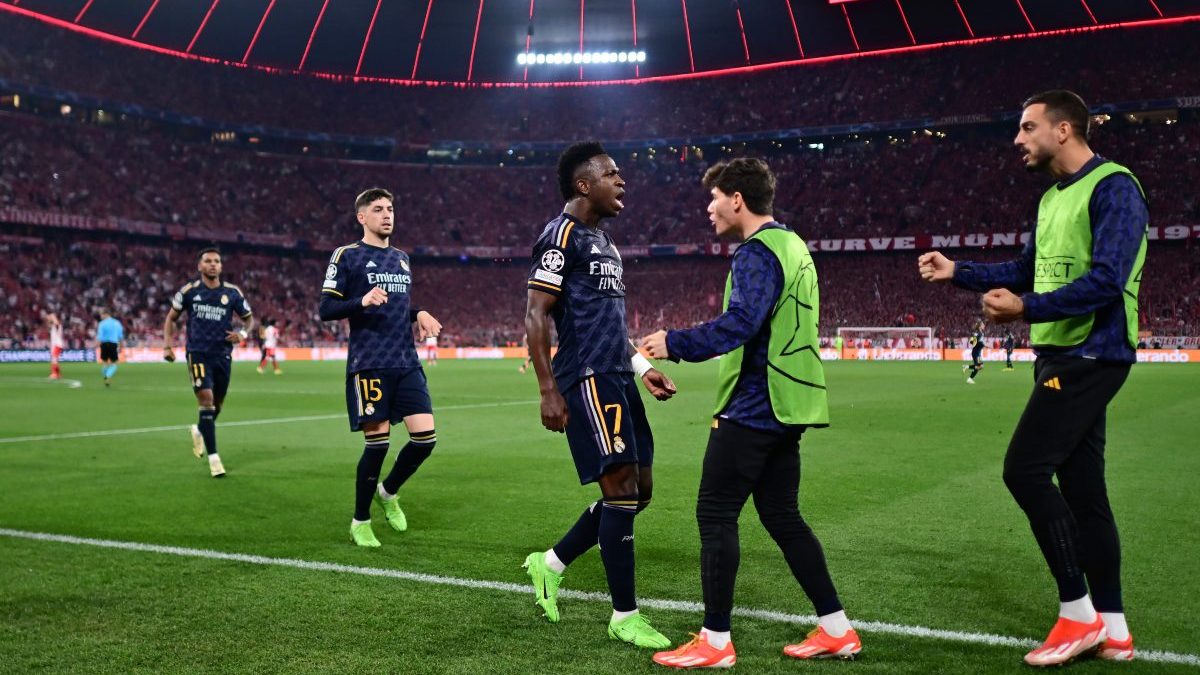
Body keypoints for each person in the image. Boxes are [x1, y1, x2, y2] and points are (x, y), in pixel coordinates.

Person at [918, 90, 1148, 666]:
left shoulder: (1114, 187)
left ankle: (1078, 614)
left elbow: (1107, 279)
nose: (1017, 139)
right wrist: (958, 274)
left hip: (1091, 353)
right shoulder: (1051, 200)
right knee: (1085, 492)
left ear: (1064, 129)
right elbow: (1026, 271)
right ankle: (1113, 627)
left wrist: (1026, 310)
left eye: (1027, 127)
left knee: (1023, 470)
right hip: (1060, 354)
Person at [641, 158, 860, 669]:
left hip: (753, 407)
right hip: (790, 404)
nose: (709, 208)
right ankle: (836, 628)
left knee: (715, 513)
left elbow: (741, 322)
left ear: (737, 198)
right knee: (783, 517)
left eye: (714, 197)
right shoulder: (794, 245)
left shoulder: (756, 253)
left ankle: (715, 641)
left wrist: (675, 342)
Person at [522, 142, 677, 650]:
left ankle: (548, 564)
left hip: (619, 374)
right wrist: (548, 389)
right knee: (622, 493)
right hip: (586, 377)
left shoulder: (604, 241)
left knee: (640, 492)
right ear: (584, 184)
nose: (622, 180)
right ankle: (624, 615)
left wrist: (643, 366)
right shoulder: (559, 235)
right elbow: (537, 313)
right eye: (612, 174)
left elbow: (610, 322)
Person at [319, 188, 443, 548]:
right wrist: (361, 300)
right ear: (362, 217)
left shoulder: (402, 258)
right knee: (377, 446)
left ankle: (388, 491)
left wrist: (417, 312)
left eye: (390, 208)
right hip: (369, 363)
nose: (387, 214)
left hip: (406, 362)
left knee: (426, 439)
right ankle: (360, 520)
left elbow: (395, 306)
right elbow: (326, 309)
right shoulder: (347, 256)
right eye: (378, 209)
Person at [164, 247, 254, 478]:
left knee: (218, 405)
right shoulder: (189, 291)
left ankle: (200, 429)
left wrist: (242, 335)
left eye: (216, 261)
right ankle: (214, 459)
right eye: (208, 261)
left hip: (223, 355)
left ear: (221, 266)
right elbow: (171, 318)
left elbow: (249, 320)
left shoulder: (232, 293)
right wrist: (167, 345)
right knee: (206, 400)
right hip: (198, 353)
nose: (213, 264)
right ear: (200, 266)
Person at [96, 309, 124, 387]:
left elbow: (100, 336)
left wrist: (96, 345)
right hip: (113, 344)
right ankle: (108, 376)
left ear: (106, 314)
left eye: (101, 314)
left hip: (104, 344)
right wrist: (121, 346)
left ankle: (105, 376)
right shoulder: (117, 323)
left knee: (105, 363)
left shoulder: (101, 324)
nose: (100, 316)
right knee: (114, 363)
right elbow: (120, 336)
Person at [46, 312, 64, 380]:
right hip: (55, 344)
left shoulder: (58, 325)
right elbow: (49, 325)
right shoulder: (54, 326)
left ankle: (54, 374)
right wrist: (49, 319)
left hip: (57, 344)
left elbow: (56, 322)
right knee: (55, 359)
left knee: (54, 359)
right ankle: (58, 374)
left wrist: (53, 316)